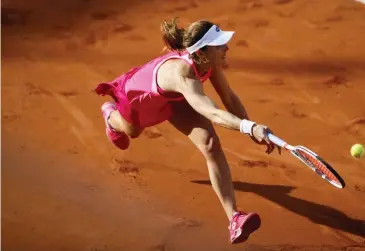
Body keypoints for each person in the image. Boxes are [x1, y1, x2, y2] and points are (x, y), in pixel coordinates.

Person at [94, 17, 280, 244]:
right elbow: (211, 112)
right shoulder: (182, 73)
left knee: (210, 144)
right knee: (131, 131)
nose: (227, 47)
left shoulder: (208, 63)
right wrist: (250, 127)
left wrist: (252, 130)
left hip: (180, 97)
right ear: (202, 52)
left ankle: (234, 218)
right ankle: (110, 115)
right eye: (219, 45)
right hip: (140, 99)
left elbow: (229, 98)